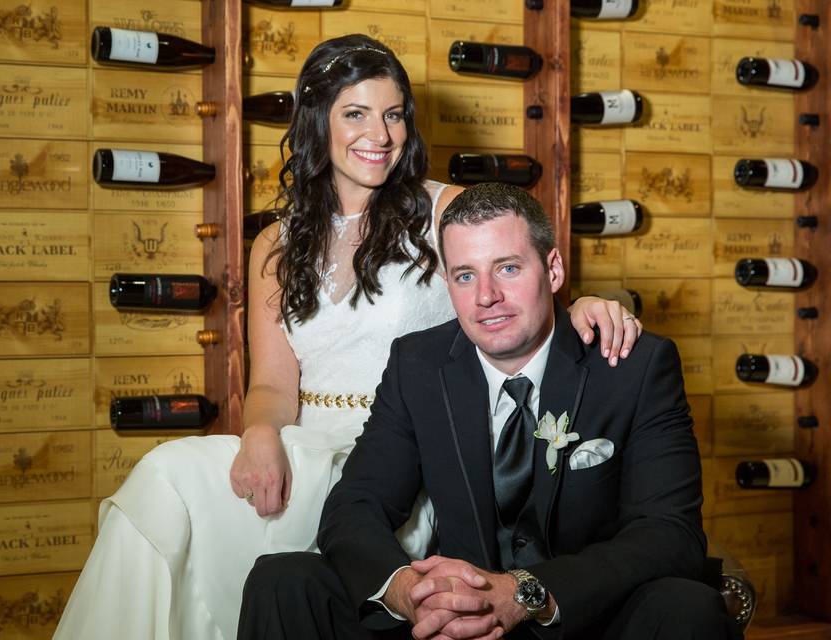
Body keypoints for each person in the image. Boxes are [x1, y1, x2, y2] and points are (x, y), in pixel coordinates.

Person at [53, 36, 641, 640]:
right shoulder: (274, 248)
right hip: (303, 447)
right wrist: (258, 433)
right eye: (355, 114)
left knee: (175, 483)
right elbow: (273, 387)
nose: (379, 135)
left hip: (400, 458)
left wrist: (591, 304)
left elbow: (521, 292)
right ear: (318, 123)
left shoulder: (445, 211)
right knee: (162, 485)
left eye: (392, 115)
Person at [239, 182, 739, 640]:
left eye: (508, 267)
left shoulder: (635, 366)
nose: (486, 297)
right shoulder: (419, 365)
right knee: (283, 579)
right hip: (449, 623)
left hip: (578, 617)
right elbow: (356, 504)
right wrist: (409, 592)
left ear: (554, 269)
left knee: (687, 608)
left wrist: (526, 594)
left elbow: (670, 534)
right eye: (464, 275)